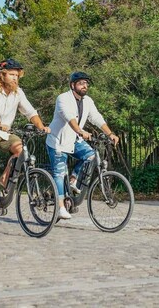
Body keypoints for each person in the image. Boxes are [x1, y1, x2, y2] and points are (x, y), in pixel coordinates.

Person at [0, 59, 49, 222]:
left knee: (21, 150)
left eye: (17, 75)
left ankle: (4, 178)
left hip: (5, 134)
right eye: (12, 75)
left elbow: (30, 112)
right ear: (3, 75)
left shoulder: (18, 93)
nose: (15, 78)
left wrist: (41, 127)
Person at [46, 71, 119, 220]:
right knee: (59, 174)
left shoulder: (88, 101)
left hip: (74, 140)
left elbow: (96, 118)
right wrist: (80, 131)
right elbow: (69, 117)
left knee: (91, 156)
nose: (85, 86)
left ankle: (73, 179)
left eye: (86, 83)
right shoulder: (63, 98)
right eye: (81, 83)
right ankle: (60, 208)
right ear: (73, 85)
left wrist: (110, 133)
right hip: (58, 142)